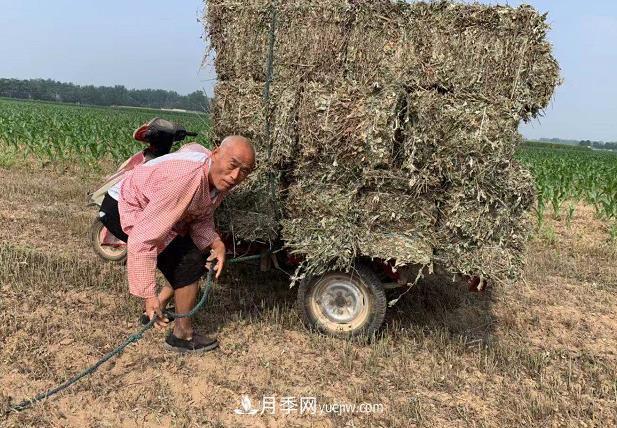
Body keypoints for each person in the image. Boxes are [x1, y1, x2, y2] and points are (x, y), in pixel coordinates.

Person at [99, 135, 255, 353]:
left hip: (145, 204)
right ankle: (181, 334)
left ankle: (160, 307)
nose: (236, 176)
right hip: (123, 207)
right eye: (233, 165)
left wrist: (215, 242)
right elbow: (143, 239)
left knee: (192, 255)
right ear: (216, 152)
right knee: (188, 261)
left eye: (245, 171)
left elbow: (200, 215)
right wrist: (147, 294)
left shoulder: (216, 179)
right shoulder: (185, 179)